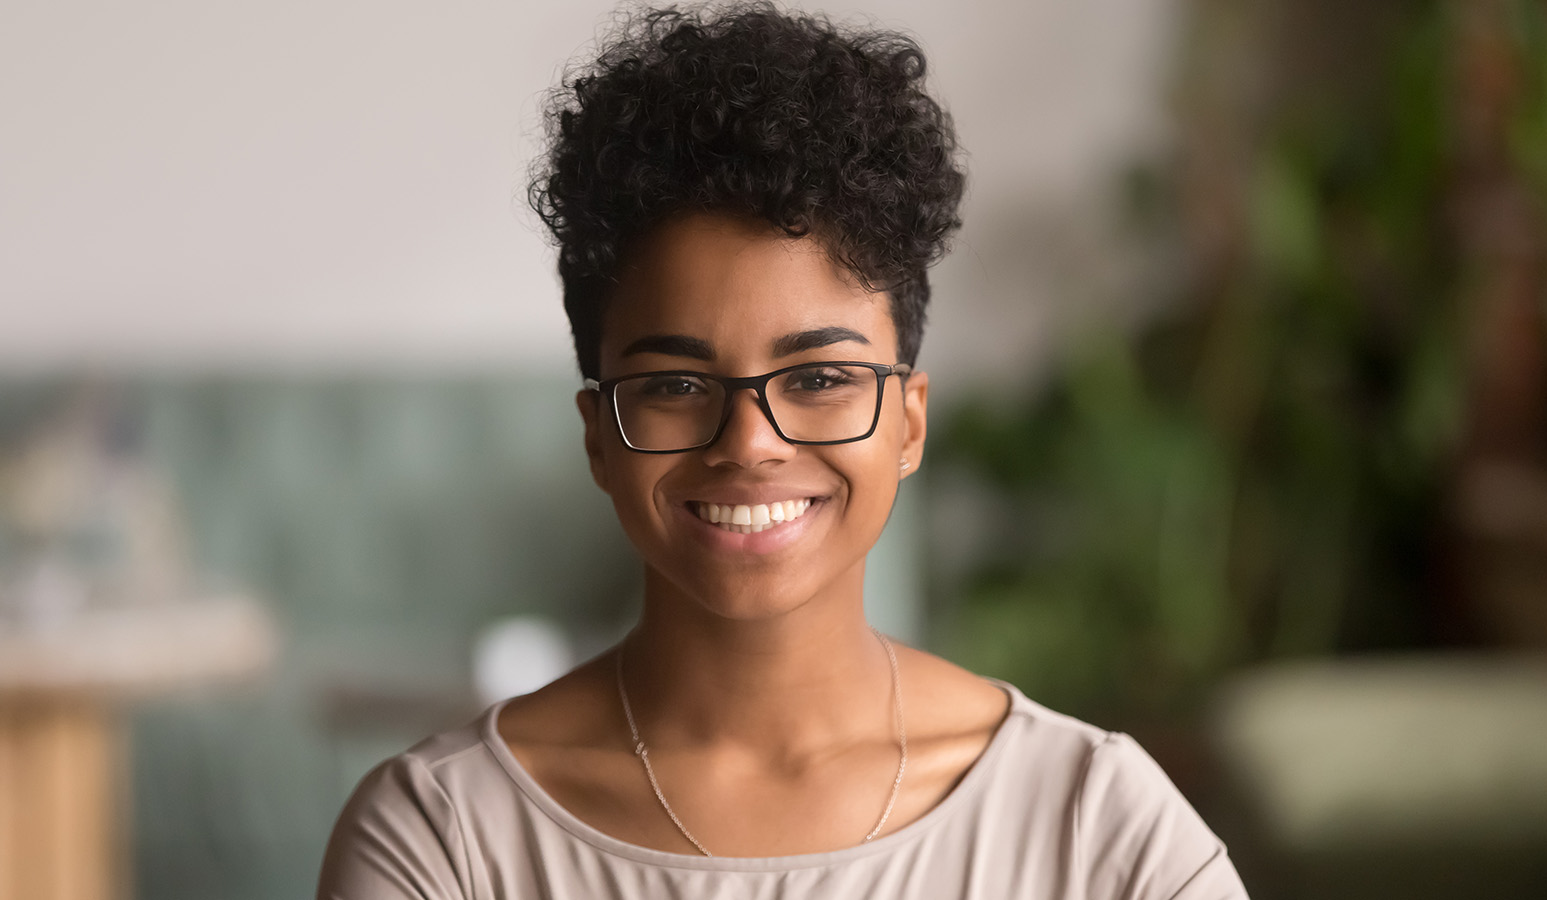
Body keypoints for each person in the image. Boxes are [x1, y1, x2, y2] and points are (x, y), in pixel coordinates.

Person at [317, 4, 1248, 897]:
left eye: (820, 379)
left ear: (910, 421)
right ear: (599, 435)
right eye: (677, 386)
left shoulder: (1092, 824)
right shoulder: (443, 839)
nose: (750, 444)